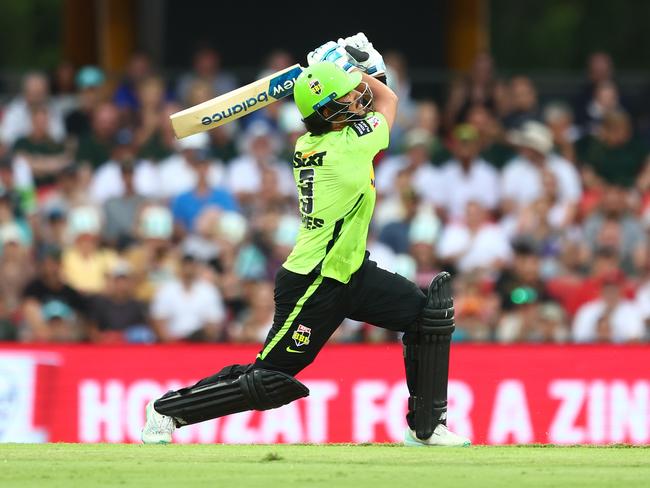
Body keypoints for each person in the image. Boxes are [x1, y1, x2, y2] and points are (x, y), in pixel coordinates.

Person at [141, 34, 469, 447]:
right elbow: (389, 100)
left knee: (427, 318)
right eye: (348, 97)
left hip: (351, 270)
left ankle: (426, 428)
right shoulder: (348, 147)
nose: (357, 100)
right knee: (270, 378)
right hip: (313, 282)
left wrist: (332, 74)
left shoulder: (310, 142)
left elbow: (367, 102)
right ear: (331, 113)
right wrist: (354, 68)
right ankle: (166, 411)